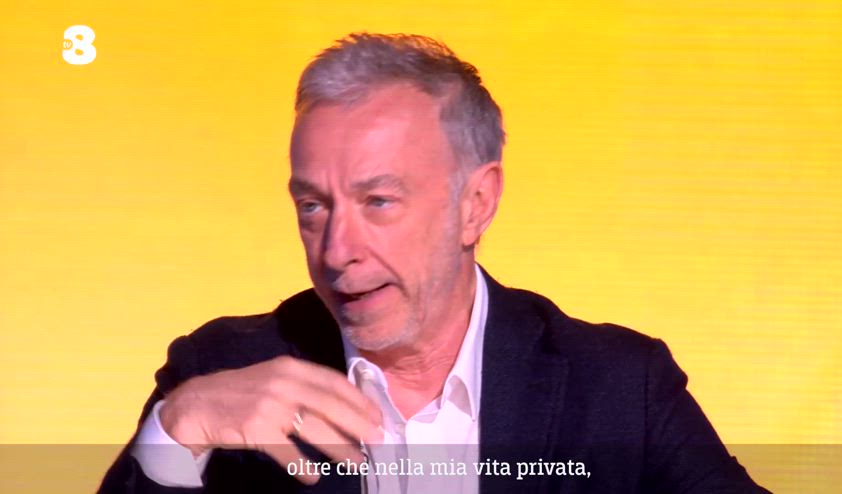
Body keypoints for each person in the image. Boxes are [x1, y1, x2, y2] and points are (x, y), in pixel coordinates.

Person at [99, 33, 769, 493]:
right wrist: (175, 436)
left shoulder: (618, 387)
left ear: (475, 204)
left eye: (379, 201)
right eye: (313, 207)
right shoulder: (217, 370)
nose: (336, 251)